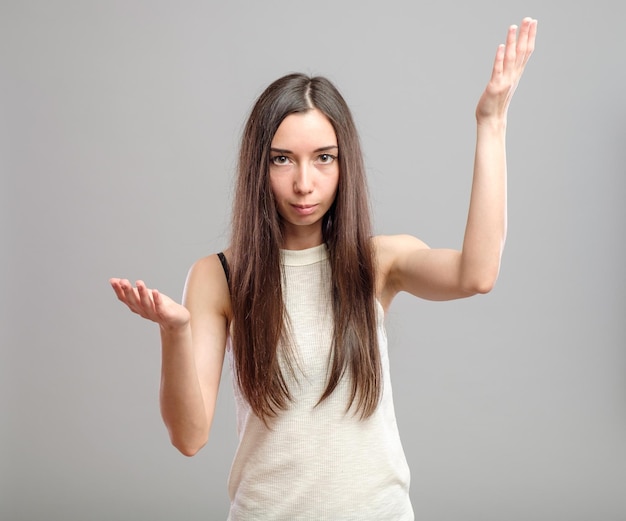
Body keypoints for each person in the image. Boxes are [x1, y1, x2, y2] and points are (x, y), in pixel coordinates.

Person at [110, 17, 537, 521]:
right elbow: (189, 437)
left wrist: (491, 124)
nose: (304, 183)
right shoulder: (219, 276)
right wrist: (175, 333)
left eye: (324, 158)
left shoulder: (378, 261)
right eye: (282, 159)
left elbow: (476, 274)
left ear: (344, 164)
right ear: (258, 166)